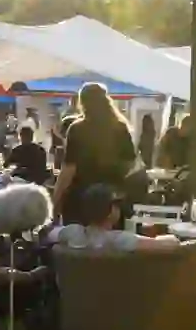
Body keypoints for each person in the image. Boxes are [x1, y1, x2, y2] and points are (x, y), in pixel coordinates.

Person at [52, 82, 137, 225]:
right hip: (111, 200)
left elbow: (68, 170)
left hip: (81, 201)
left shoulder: (77, 129)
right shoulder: (120, 127)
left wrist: (56, 201)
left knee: (79, 243)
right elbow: (131, 163)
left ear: (82, 103)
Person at [52, 184, 178, 251]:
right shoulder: (120, 240)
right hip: (113, 297)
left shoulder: (72, 232)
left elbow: (47, 234)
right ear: (111, 211)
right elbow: (169, 244)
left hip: (77, 297)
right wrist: (172, 236)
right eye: (116, 205)